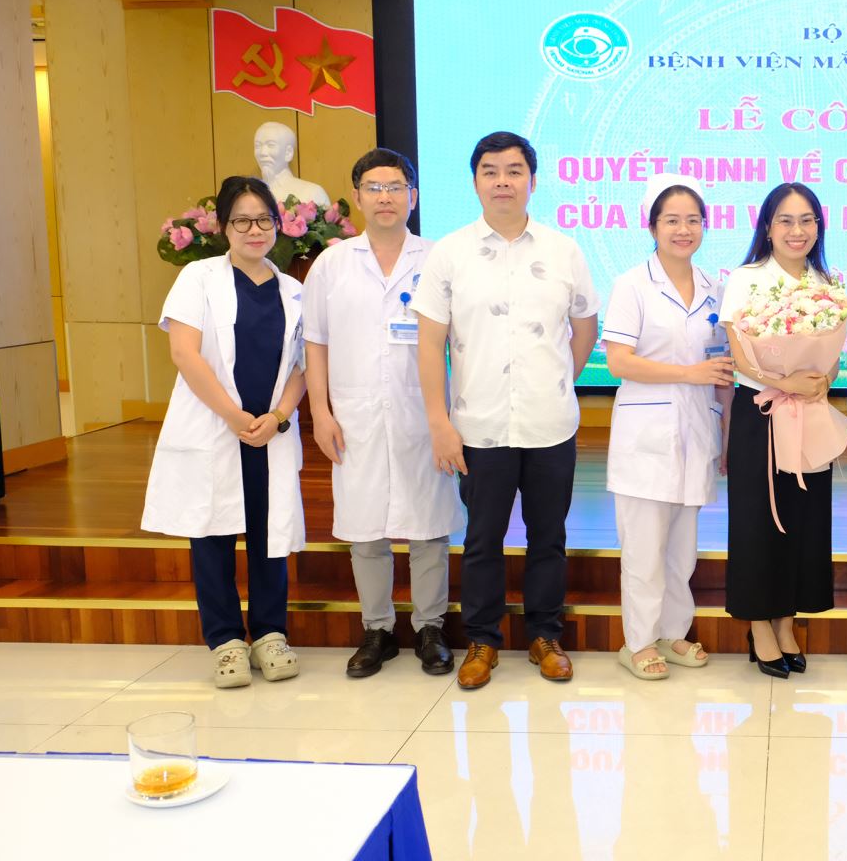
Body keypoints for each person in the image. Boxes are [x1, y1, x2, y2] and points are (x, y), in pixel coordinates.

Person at [411, 131, 600, 689]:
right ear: (475, 182)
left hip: (550, 424)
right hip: (480, 425)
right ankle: (482, 640)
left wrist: (556, 378)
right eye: (490, 171)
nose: (502, 181)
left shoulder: (563, 250)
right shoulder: (450, 253)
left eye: (514, 171)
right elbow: (430, 344)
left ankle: (545, 635)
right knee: (482, 540)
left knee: (549, 537)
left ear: (532, 181)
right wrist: (440, 423)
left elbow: (585, 327)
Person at [141, 176, 307, 687]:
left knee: (269, 535)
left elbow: (302, 366)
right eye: (242, 220)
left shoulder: (293, 290)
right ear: (223, 226)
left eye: (264, 220)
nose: (255, 230)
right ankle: (226, 642)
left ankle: (269, 635)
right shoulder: (198, 277)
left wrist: (277, 416)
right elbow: (183, 353)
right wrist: (234, 417)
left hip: (269, 432)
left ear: (278, 225)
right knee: (211, 536)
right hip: (216, 427)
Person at [303, 148, 462, 679]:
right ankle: (377, 629)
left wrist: (451, 418)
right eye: (374, 187)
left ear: (413, 197)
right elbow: (316, 342)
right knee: (365, 526)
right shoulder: (332, 263)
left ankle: (430, 628)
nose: (385, 197)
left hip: (424, 414)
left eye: (396, 187)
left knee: (429, 526)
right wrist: (320, 411)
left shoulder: (438, 259)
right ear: (357, 197)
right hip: (356, 415)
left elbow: (460, 343)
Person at [601, 175, 731, 679]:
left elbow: (722, 369)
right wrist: (688, 374)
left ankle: (673, 633)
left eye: (693, 220)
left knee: (682, 550)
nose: (683, 229)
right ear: (652, 226)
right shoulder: (632, 284)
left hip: (697, 431)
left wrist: (723, 431)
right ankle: (637, 642)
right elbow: (619, 361)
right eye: (672, 220)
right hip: (646, 436)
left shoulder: (715, 288)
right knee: (644, 550)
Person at [720, 182, 840, 678]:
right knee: (757, 521)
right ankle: (759, 625)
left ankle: (786, 621)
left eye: (807, 220)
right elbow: (738, 353)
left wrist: (823, 379)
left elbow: (832, 356)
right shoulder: (746, 279)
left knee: (803, 517)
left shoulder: (826, 284)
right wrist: (783, 381)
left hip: (809, 412)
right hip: (762, 413)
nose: (797, 230)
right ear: (767, 228)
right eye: (786, 220)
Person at [253, 121, 330, 207]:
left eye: (271, 145)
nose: (262, 153)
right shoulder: (248, 194)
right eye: (258, 146)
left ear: (288, 153)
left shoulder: (312, 193)